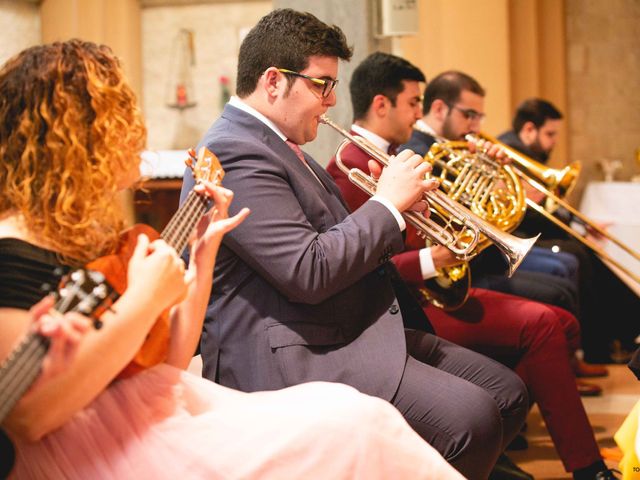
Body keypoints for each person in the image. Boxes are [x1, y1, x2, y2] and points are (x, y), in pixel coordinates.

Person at [0, 39, 466, 480]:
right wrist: (143, 298)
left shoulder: (82, 237)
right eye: (117, 117)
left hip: (152, 403)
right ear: (75, 138)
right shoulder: (12, 254)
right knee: (353, 430)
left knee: (361, 418)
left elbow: (170, 360)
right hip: (99, 443)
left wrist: (202, 257)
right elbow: (28, 415)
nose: (133, 131)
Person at [181, 9, 530, 479]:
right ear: (272, 81)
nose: (330, 101)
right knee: (473, 421)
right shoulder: (235, 150)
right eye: (321, 84)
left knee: (508, 394)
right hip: (294, 351)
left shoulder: (278, 140)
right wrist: (385, 205)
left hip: (344, 327)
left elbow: (330, 240)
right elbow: (308, 271)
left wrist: (401, 216)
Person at [326, 51, 619, 480]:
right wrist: (434, 256)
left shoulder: (397, 155)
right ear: (381, 104)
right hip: (405, 306)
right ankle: (575, 466)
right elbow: (364, 263)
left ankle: (496, 448)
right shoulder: (346, 166)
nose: (420, 113)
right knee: (542, 325)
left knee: (557, 322)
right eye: (413, 103)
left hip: (436, 290)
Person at [401, 71, 607, 396]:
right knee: (558, 290)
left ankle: (551, 381)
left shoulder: (451, 147)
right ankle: (537, 390)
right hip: (462, 273)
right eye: (469, 115)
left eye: (480, 116)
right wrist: (494, 190)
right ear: (439, 109)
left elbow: (490, 217)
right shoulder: (418, 151)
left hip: (482, 258)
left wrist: (497, 184)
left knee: (566, 274)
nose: (477, 125)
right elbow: (444, 225)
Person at [498, 98, 640, 364]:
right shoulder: (508, 153)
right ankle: (605, 342)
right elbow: (527, 215)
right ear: (529, 129)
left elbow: (549, 206)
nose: (553, 142)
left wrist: (580, 225)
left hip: (535, 235)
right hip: (521, 239)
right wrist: (576, 229)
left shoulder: (524, 153)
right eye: (549, 134)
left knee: (585, 250)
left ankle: (621, 332)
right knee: (577, 253)